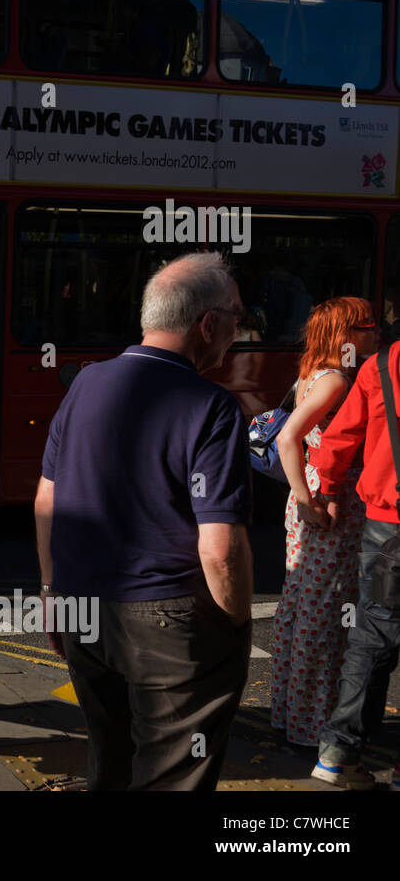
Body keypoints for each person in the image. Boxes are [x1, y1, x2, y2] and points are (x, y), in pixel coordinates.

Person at [35, 251, 253, 790]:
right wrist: (235, 621)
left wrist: (51, 591)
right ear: (208, 323)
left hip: (84, 603)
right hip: (169, 619)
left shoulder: (86, 384)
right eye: (236, 318)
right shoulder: (213, 406)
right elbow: (220, 548)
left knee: (108, 757)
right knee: (173, 773)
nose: (238, 332)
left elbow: (47, 500)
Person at [271, 297, 378, 749]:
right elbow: (288, 436)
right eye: (369, 325)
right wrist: (308, 500)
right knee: (324, 611)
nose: (377, 332)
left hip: (313, 496)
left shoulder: (312, 373)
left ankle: (289, 713)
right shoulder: (335, 380)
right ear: (346, 334)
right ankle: (313, 724)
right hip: (327, 502)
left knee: (301, 604)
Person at [308, 306, 400, 789]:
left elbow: (338, 439)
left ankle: (335, 754)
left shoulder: (381, 366)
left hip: (387, 524)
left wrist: (325, 492)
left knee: (373, 637)